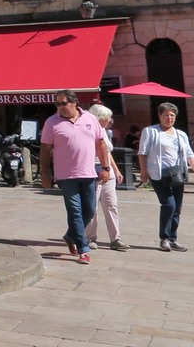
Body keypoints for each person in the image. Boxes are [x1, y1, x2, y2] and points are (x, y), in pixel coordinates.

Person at [40, 89, 112, 264]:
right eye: (57, 104)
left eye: (63, 103)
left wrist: (106, 167)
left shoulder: (90, 119)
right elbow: (45, 150)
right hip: (66, 175)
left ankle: (70, 235)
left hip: (88, 173)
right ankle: (83, 249)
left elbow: (101, 143)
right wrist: (45, 174)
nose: (60, 107)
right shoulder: (52, 123)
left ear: (74, 103)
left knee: (89, 210)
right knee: (75, 211)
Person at [137, 102, 194, 252]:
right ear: (159, 116)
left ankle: (173, 238)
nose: (169, 118)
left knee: (177, 208)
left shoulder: (181, 134)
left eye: (172, 115)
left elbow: (189, 154)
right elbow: (142, 152)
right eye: (166, 115)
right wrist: (143, 172)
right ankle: (164, 238)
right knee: (169, 205)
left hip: (176, 174)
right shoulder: (150, 131)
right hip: (158, 174)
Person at [83, 104, 129, 251]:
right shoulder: (88, 131)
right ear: (99, 118)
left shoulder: (103, 131)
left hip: (108, 172)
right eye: (107, 117)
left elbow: (107, 152)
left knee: (112, 205)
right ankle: (90, 237)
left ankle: (115, 238)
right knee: (93, 207)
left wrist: (116, 170)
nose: (110, 120)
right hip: (95, 172)